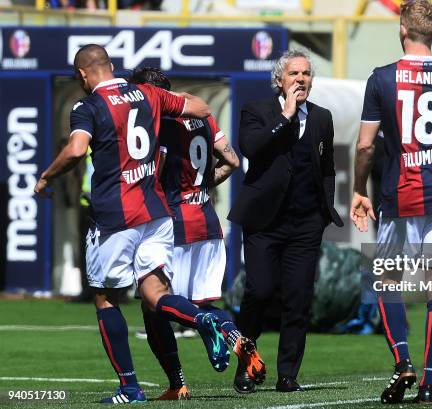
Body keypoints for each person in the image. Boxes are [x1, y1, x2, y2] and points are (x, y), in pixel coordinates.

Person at [34, 44, 228, 404]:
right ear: (111, 66)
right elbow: (200, 107)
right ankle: (205, 321)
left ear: (82, 74)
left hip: (115, 217)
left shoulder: (88, 106)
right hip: (156, 213)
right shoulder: (149, 93)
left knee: (106, 299)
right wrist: (163, 108)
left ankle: (130, 387)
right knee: (155, 295)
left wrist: (46, 176)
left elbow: (77, 150)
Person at [350, 0, 432, 404]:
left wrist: (358, 189)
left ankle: (403, 361)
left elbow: (366, 145)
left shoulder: (382, 79)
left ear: (402, 28)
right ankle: (430, 384)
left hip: (399, 195)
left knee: (388, 281)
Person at [128, 67, 266, 398]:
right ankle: (237, 340)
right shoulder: (202, 116)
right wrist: (201, 185)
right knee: (201, 303)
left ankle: (177, 383)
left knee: (153, 304)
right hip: (207, 220)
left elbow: (153, 173)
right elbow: (231, 161)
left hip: (172, 226)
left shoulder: (158, 121)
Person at [228, 48, 343, 393]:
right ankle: (246, 362)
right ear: (279, 80)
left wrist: (325, 211)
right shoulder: (257, 111)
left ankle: (288, 373)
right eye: (294, 74)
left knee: (298, 298)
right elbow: (252, 148)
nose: (301, 79)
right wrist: (287, 115)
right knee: (260, 290)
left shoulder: (322, 117)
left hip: (306, 223)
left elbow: (327, 169)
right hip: (264, 222)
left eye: (306, 74)